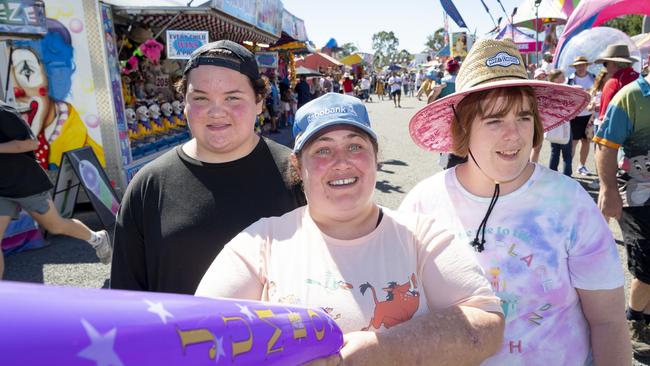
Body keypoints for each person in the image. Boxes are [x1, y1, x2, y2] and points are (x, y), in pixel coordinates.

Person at [196, 92, 504, 365]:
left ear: (375, 159)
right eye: (323, 150)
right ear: (297, 166)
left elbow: (487, 323)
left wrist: (384, 350)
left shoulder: (420, 236)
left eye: (355, 146)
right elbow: (199, 333)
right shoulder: (260, 244)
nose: (342, 162)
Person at [402, 39, 630, 365]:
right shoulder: (421, 205)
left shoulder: (569, 203)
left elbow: (607, 321)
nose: (514, 135)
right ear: (464, 125)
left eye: (524, 117)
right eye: (494, 120)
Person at [110, 40, 305, 295]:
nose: (216, 112)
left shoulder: (298, 175)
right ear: (185, 103)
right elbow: (126, 296)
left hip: (275, 335)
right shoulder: (150, 184)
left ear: (259, 101)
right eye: (201, 98)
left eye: (232, 97)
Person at [0, 101, 111, 279]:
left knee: (55, 226)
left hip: (26, 184)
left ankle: (97, 238)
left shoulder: (3, 111)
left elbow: (30, 144)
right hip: (2, 191)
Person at [594, 73, 650, 358]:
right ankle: (633, 320)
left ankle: (645, 318)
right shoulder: (631, 97)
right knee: (646, 264)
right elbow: (605, 145)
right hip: (635, 194)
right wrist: (607, 189)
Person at [566, 56, 597, 176]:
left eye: (582, 64)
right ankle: (568, 168)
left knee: (586, 141)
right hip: (575, 115)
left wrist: (594, 103)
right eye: (578, 65)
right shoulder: (570, 79)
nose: (580, 67)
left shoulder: (593, 77)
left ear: (586, 65)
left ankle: (581, 166)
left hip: (589, 115)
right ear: (575, 67)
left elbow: (597, 93)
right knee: (573, 142)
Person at [595, 44, 640, 123]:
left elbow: (604, 118)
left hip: (619, 130)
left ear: (613, 64)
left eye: (605, 63)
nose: (605, 67)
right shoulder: (640, 78)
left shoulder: (613, 83)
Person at [547, 69, 573, 176]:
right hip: (564, 124)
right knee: (567, 155)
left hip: (553, 125)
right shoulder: (564, 91)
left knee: (554, 152)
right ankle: (567, 177)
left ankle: (552, 175)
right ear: (556, 78)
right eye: (562, 76)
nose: (564, 78)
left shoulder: (548, 90)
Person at [529, 68, 549, 163]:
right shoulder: (529, 90)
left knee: (537, 147)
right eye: (538, 77)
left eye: (543, 77)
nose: (541, 79)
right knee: (527, 146)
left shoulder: (548, 90)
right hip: (530, 121)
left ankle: (533, 166)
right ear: (534, 78)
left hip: (541, 122)